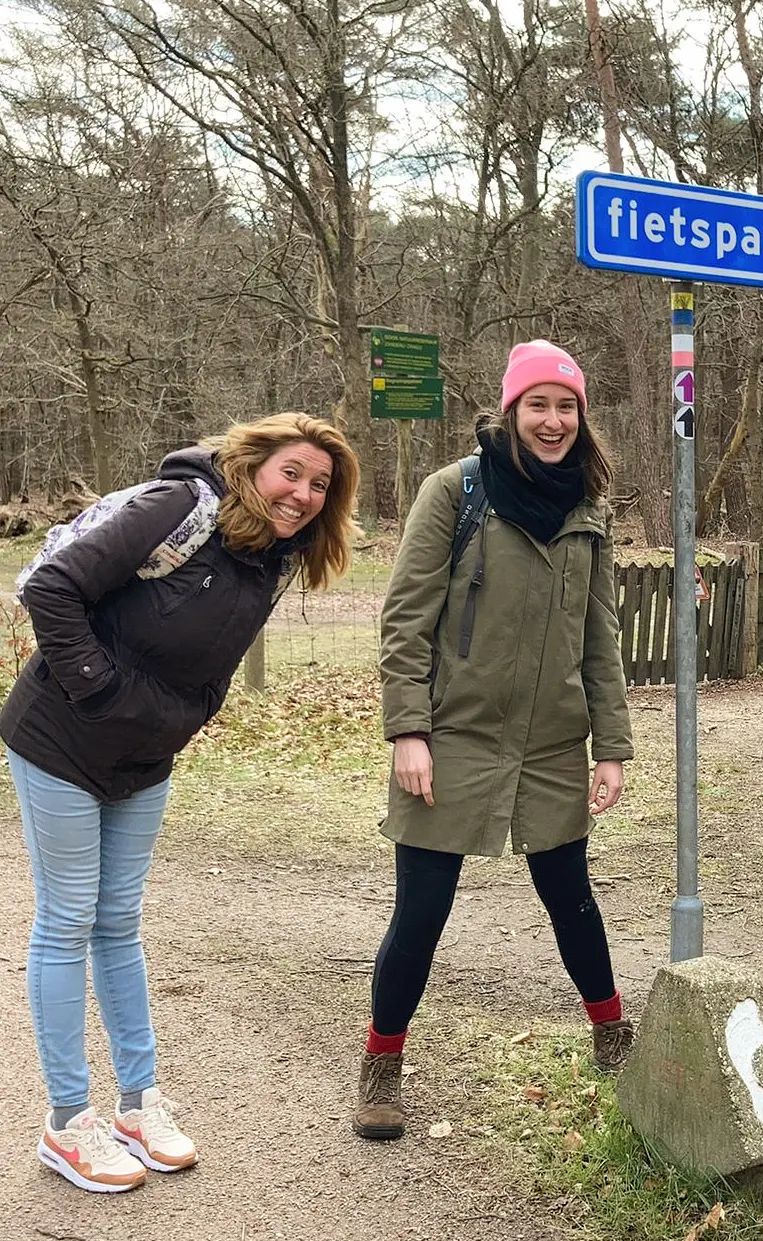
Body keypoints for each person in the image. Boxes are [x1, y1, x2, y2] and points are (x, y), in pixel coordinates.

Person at [2, 413, 361, 1194]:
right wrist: (99, 689)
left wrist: (183, 719)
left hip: (145, 755)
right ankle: (68, 1122)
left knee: (119, 920)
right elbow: (50, 585)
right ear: (252, 463)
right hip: (60, 735)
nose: (302, 494)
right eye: (291, 473)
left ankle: (138, 1103)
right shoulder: (178, 505)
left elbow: (210, 663)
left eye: (320, 485)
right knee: (67, 918)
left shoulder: (274, 558)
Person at [354, 339, 635, 1142]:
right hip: (455, 738)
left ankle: (613, 1037)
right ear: (511, 410)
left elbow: (601, 637)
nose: (553, 421)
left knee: (572, 899)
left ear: (583, 418)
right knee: (423, 912)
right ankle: (381, 1064)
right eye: (538, 405)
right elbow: (405, 618)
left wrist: (609, 745)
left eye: (567, 406)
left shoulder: (588, 509)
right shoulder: (456, 491)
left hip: (551, 745)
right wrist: (409, 729)